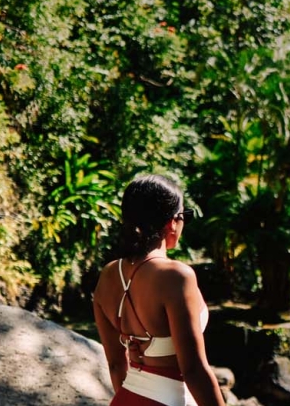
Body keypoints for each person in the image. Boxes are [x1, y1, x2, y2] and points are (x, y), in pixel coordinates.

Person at [93, 174, 225, 406]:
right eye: (185, 216)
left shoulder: (108, 276)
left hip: (126, 399)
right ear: (172, 222)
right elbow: (193, 370)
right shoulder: (175, 276)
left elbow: (115, 364)